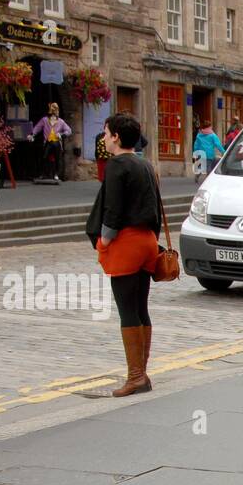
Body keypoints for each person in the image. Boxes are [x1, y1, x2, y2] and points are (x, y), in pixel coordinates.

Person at [85, 113, 163, 396]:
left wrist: (104, 241)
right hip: (147, 241)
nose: (104, 138)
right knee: (141, 307)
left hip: (126, 243)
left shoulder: (117, 165)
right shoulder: (145, 164)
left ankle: (136, 377)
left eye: (106, 133)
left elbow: (112, 210)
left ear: (116, 136)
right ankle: (141, 372)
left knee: (127, 311)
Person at [29, 103, 72, 182]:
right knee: (44, 157)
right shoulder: (45, 120)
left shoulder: (60, 122)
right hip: (48, 142)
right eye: (53, 110)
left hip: (56, 142)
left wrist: (62, 135)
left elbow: (69, 130)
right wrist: (32, 134)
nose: (54, 113)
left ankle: (56, 174)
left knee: (57, 158)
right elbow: (37, 128)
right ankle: (44, 173)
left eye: (55, 111)